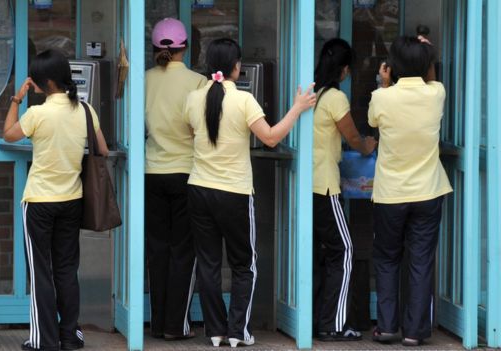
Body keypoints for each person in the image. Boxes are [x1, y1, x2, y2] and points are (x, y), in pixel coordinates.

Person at [183, 38, 316, 348]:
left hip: (199, 188)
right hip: (235, 192)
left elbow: (191, 134)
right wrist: (296, 109)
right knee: (244, 264)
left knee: (208, 263)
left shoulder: (193, 98)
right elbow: (269, 137)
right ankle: (237, 331)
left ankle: (215, 331)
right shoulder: (244, 100)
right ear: (236, 67)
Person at [3, 49, 109, 351]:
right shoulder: (86, 110)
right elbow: (100, 148)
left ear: (46, 82)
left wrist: (16, 99)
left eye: (35, 80)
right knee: (65, 270)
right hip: (72, 200)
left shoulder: (38, 113)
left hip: (39, 202)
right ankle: (69, 335)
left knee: (41, 273)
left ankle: (43, 340)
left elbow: (9, 134)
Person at [368, 36, 452, 347]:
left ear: (392, 66)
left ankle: (387, 327)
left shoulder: (381, 97)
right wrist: (427, 51)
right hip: (429, 191)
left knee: (388, 259)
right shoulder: (436, 93)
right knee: (420, 261)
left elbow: (372, 121)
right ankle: (415, 332)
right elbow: (430, 77)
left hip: (391, 194)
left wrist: (385, 83)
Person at [145, 18, 207, 340]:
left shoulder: (145, 80)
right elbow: (202, 129)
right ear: (186, 48)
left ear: (156, 48)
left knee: (157, 250)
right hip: (186, 172)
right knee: (183, 251)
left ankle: (156, 324)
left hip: (151, 172)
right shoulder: (198, 82)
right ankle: (175, 326)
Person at [312, 38, 377, 341]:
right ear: (345, 69)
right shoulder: (336, 98)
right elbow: (353, 138)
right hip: (326, 185)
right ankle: (333, 324)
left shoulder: (315, 93)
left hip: (308, 184)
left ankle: (318, 319)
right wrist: (369, 144)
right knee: (346, 250)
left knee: (324, 254)